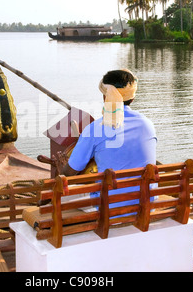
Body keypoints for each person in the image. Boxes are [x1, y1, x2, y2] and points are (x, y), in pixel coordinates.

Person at [59, 69, 157, 211]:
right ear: (133, 98)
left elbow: (70, 173)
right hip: (147, 206)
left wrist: (62, 167)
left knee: (65, 201)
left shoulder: (95, 129)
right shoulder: (148, 125)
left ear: (106, 97)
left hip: (110, 211)